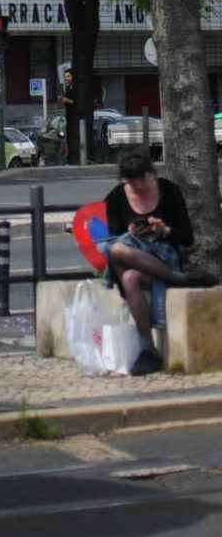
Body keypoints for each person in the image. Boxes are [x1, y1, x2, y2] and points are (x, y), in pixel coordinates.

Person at [102, 148, 193, 376]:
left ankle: (173, 274)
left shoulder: (169, 191)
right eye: (133, 181)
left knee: (119, 251)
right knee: (124, 265)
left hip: (163, 256)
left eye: (143, 178)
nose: (139, 186)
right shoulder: (116, 197)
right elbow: (114, 239)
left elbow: (187, 238)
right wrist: (131, 232)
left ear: (150, 173)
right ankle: (148, 349)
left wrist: (165, 230)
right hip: (135, 260)